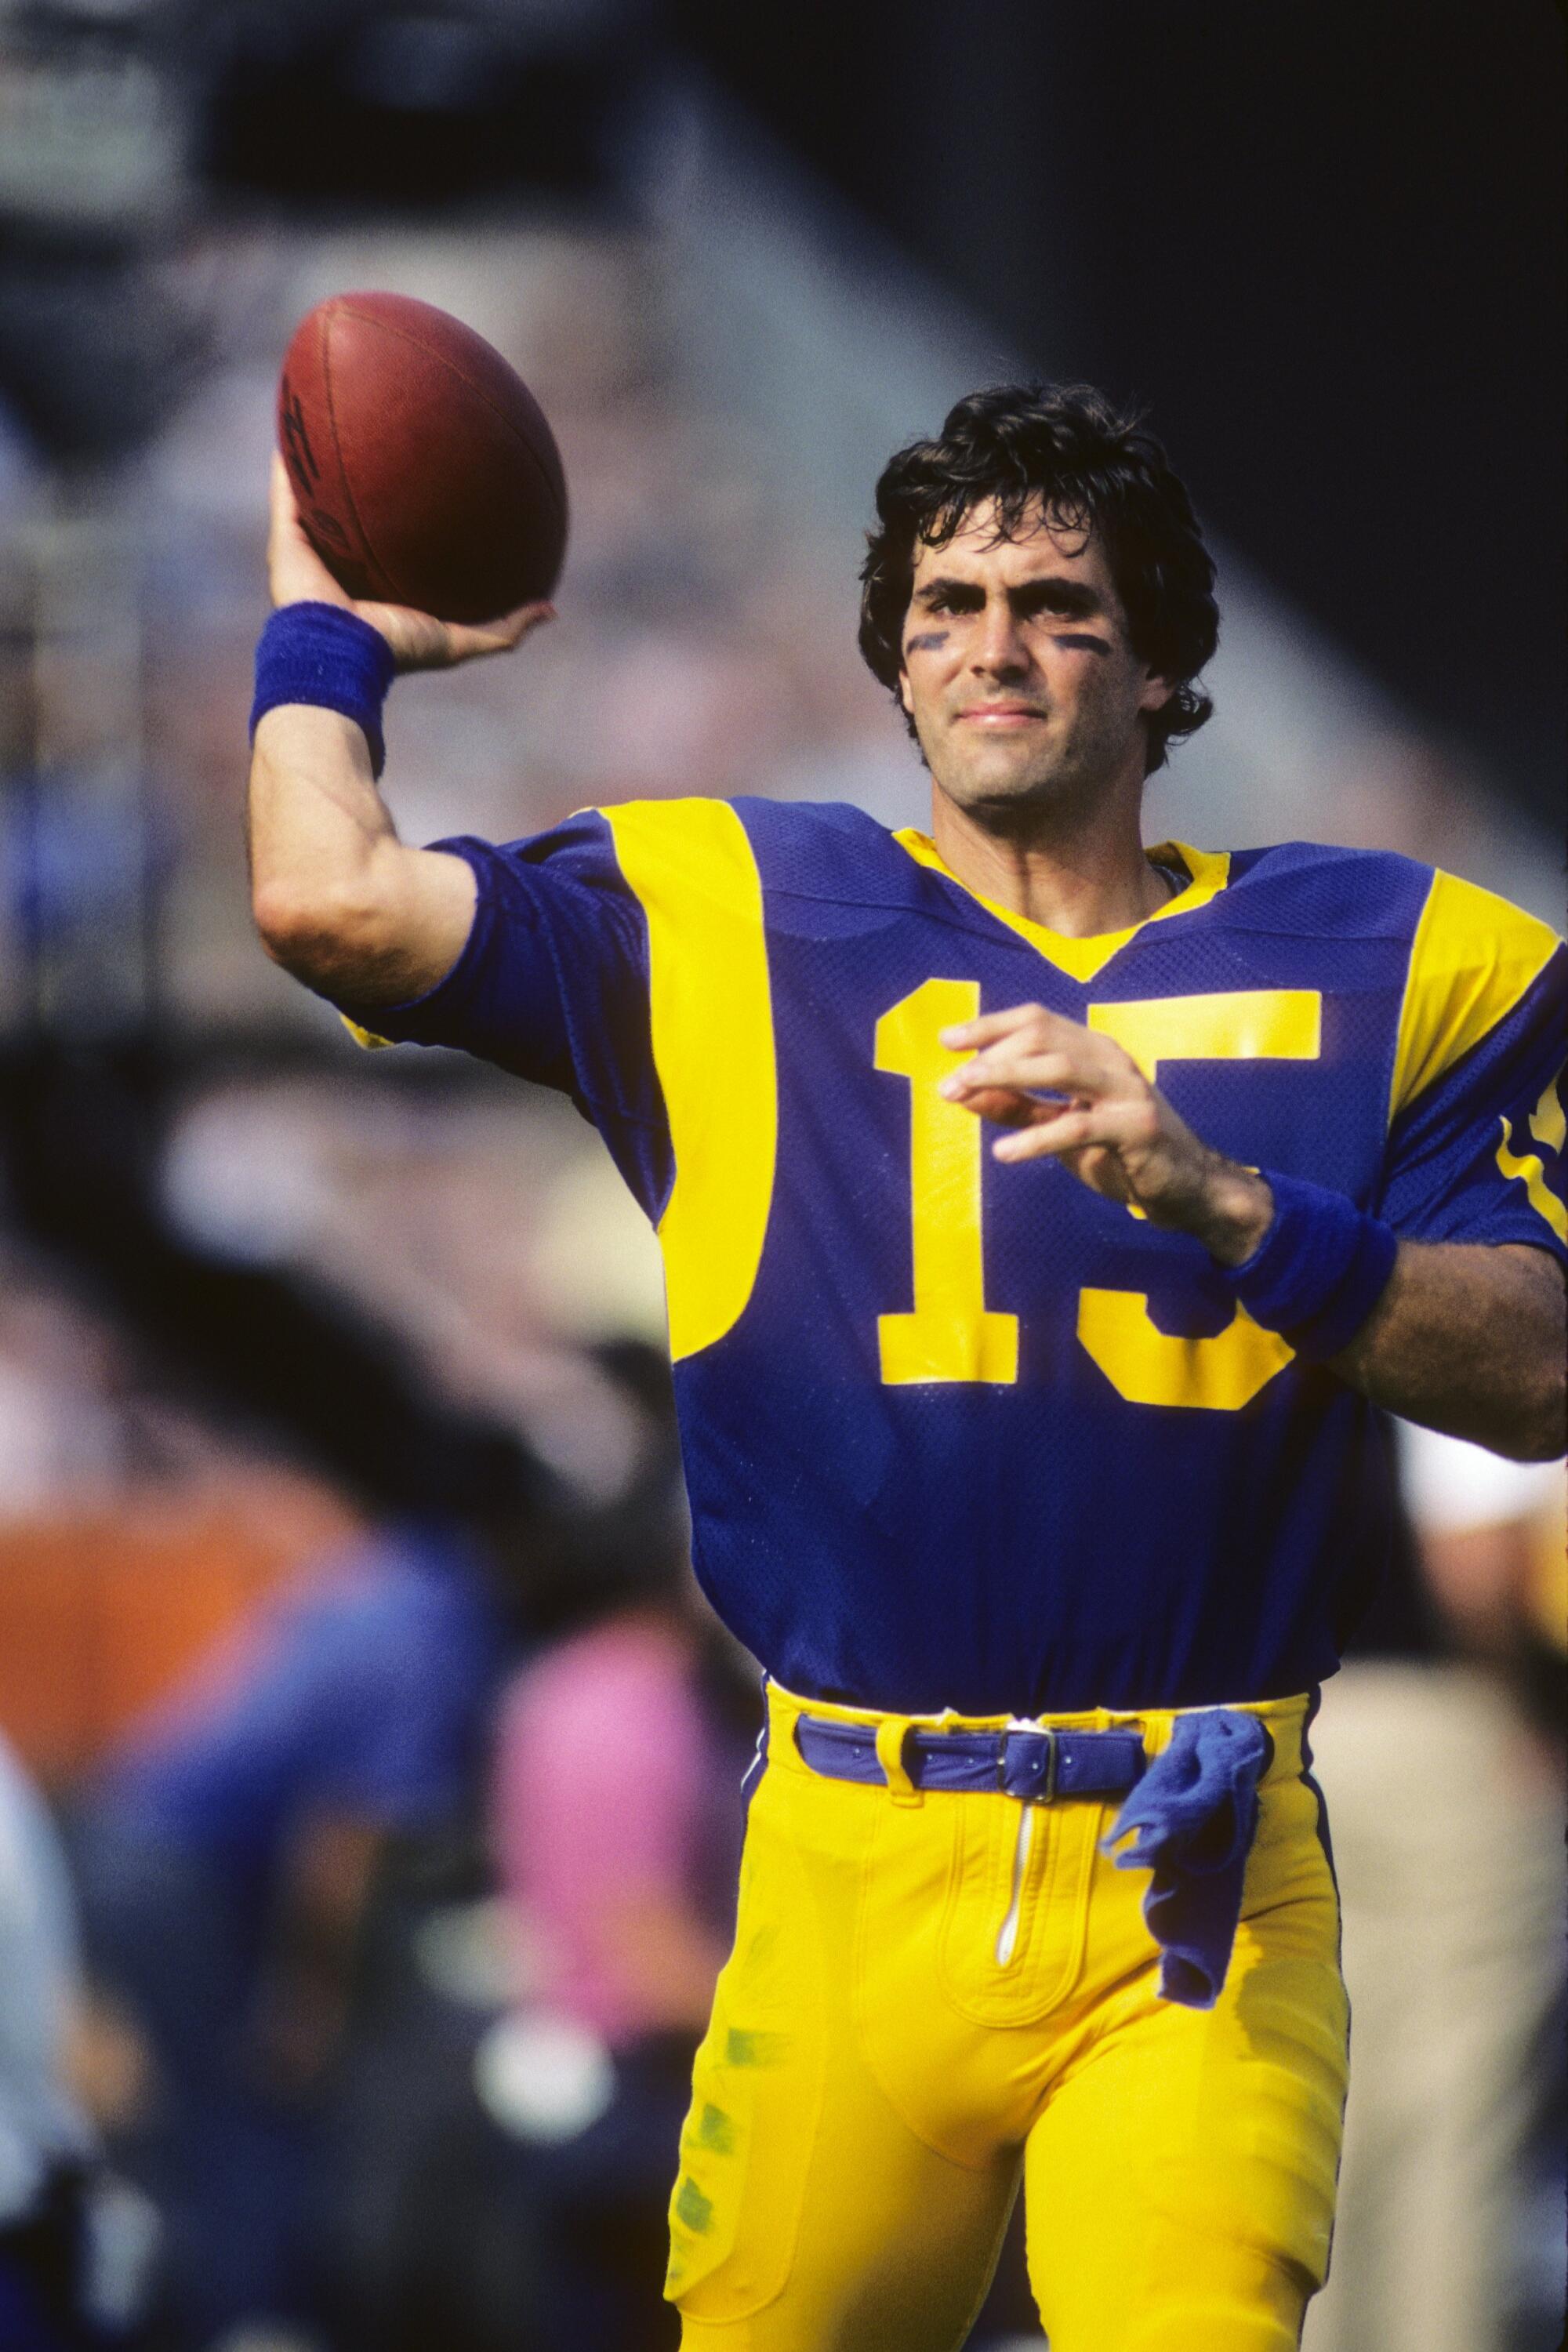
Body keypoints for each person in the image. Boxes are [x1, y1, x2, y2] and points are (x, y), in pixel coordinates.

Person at [245, 384, 1567, 2351]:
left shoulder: (1409, 956)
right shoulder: (725, 910)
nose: (989, 646)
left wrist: (1229, 1203)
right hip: (849, 1845)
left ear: (1167, 657)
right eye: (944, 603)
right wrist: (326, 631)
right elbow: (327, 900)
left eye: (1056, 604)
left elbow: (1537, 1376)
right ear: (889, 650)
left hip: (1196, 1866)